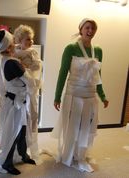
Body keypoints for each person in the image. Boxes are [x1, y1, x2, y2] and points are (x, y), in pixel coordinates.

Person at [52, 18, 109, 173]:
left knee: (86, 127)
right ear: (81, 29)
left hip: (90, 96)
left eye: (93, 29)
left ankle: (80, 155)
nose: (90, 31)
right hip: (74, 95)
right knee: (73, 126)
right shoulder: (70, 48)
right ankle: (69, 154)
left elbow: (98, 75)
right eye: (87, 28)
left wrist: (102, 96)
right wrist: (57, 97)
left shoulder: (98, 50)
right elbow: (62, 72)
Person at [0, 30, 36, 175]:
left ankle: (22, 155)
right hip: (15, 103)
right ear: (7, 47)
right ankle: (7, 163)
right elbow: (30, 81)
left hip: (14, 100)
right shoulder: (12, 62)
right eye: (13, 42)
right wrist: (27, 68)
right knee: (13, 132)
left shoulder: (3, 59)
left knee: (22, 131)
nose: (16, 44)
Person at [13, 24, 42, 163]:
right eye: (27, 40)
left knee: (29, 120)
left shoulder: (32, 52)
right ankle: (17, 151)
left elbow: (37, 66)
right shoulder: (14, 51)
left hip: (29, 88)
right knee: (18, 122)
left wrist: (26, 67)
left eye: (31, 39)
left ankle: (25, 151)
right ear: (19, 40)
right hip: (18, 89)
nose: (30, 42)